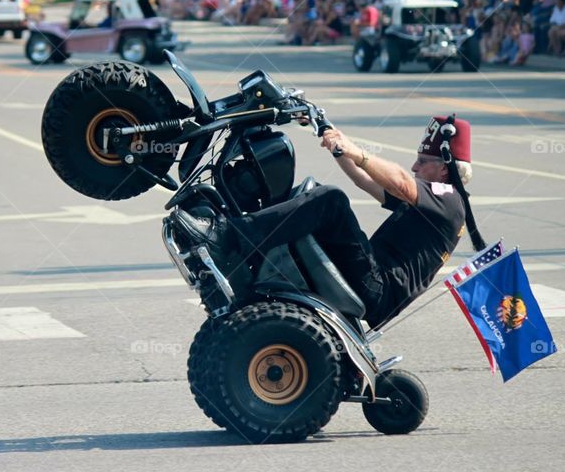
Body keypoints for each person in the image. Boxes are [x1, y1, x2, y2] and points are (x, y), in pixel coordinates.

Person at [172, 116, 473, 327]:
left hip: (379, 288)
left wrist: (356, 150)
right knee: (312, 195)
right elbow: (364, 180)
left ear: (445, 169)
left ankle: (226, 237)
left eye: (423, 161)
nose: (415, 165)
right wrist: (333, 138)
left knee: (331, 202)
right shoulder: (436, 200)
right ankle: (243, 266)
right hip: (373, 278)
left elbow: (400, 182)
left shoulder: (449, 200)